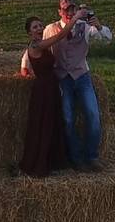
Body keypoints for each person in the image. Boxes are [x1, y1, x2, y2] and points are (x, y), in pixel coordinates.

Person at [21, 0, 113, 172]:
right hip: (63, 78)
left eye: (73, 9)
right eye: (66, 10)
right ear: (60, 12)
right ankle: (76, 158)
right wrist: (24, 66)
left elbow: (107, 40)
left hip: (82, 75)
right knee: (68, 119)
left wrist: (99, 26)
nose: (70, 12)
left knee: (93, 115)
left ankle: (92, 156)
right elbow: (37, 48)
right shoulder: (50, 29)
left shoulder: (86, 27)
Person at [18, 11, 86, 177]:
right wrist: (75, 18)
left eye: (41, 25)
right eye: (35, 27)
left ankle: (52, 161)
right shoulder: (35, 46)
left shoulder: (40, 45)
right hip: (43, 90)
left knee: (53, 123)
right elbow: (60, 35)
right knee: (44, 125)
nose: (39, 28)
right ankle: (40, 163)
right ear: (29, 32)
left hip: (51, 87)